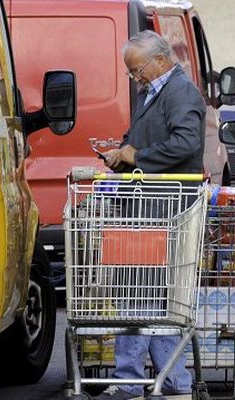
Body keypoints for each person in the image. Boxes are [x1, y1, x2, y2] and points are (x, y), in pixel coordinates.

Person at [96, 30, 206, 400]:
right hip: (149, 206)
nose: (134, 77)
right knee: (155, 300)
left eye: (136, 69)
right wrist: (122, 151)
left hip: (163, 208)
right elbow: (147, 139)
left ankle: (129, 381)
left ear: (160, 60)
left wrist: (136, 155)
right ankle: (175, 383)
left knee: (139, 294)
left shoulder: (180, 91)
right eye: (130, 72)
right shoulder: (153, 91)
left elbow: (187, 142)